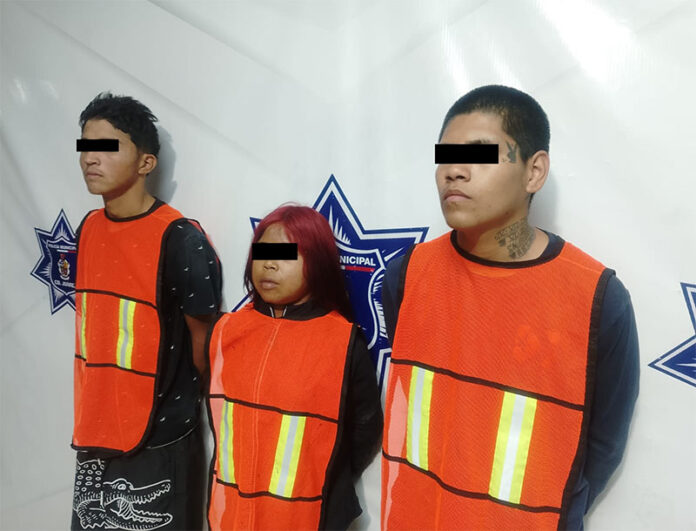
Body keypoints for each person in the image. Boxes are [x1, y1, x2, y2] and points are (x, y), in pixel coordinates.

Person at [380, 85, 639, 530]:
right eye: (445, 157)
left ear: (534, 172)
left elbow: (601, 447)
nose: (454, 172)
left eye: (479, 155)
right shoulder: (407, 275)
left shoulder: (598, 299)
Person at [71, 92, 221, 530]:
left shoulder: (180, 238)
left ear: (146, 163)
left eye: (107, 147)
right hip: (96, 430)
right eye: (85, 147)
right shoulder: (88, 228)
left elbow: (203, 345)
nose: (90, 159)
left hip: (159, 436)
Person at [206, 205, 383, 530]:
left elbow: (365, 427)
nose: (270, 264)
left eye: (286, 255)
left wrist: (324, 476)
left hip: (312, 516)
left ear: (317, 263)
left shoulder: (342, 341)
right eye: (263, 253)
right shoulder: (226, 330)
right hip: (232, 513)